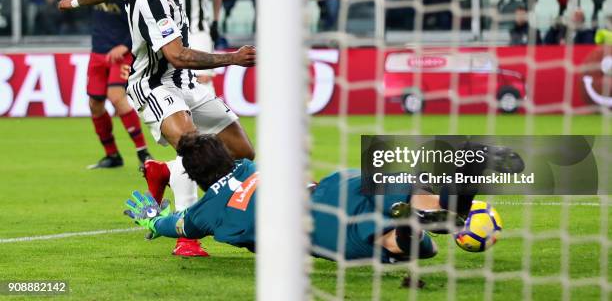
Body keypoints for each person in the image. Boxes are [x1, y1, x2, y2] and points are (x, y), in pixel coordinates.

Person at [58, 0, 256, 257]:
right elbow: (176, 55)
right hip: (152, 84)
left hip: (187, 85)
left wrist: (76, 1)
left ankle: (163, 171)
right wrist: (233, 58)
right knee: (192, 146)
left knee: (242, 152)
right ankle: (186, 238)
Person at [124, 134, 524, 265]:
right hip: (335, 187)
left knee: (404, 246)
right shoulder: (252, 168)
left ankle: (433, 211)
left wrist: (149, 218)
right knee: (423, 233)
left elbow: (170, 225)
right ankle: (454, 187)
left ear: (194, 176)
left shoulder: (205, 212)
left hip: (317, 230)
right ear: (229, 157)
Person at [55, 0, 152, 170]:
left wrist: (126, 45)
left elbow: (140, 14)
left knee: (116, 97)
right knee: (95, 104)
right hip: (98, 50)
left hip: (121, 51)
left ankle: (144, 155)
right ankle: (113, 155)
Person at [173, 0, 222, 95]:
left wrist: (215, 21)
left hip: (199, 29)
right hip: (174, 34)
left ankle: (214, 116)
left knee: (203, 78)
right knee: (177, 82)